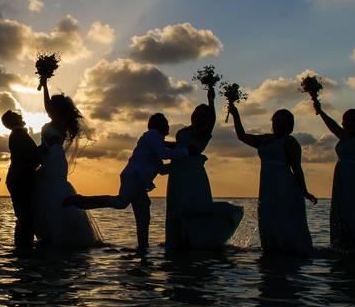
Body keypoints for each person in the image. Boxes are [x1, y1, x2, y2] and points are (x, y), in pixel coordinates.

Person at [66, 112, 187, 249]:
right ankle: (80, 201)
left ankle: (143, 247)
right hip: (134, 177)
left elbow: (163, 170)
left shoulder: (154, 142)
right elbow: (165, 154)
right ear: (157, 125)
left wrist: (185, 164)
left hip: (137, 181)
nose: (167, 125)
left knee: (143, 216)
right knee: (121, 202)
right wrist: (185, 152)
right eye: (164, 122)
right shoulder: (153, 135)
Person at [228, 104, 315, 256]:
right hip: (268, 186)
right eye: (276, 120)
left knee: (285, 220)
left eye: (283, 121)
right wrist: (235, 115)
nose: (278, 124)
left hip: (285, 186)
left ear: (290, 125)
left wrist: (304, 191)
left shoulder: (290, 141)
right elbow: (242, 136)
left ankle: (290, 253)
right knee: (268, 217)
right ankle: (271, 251)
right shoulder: (265, 139)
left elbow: (297, 168)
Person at [166, 85, 244, 249]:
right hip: (177, 173)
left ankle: (201, 237)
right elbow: (179, 146)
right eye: (196, 112)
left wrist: (211, 100)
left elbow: (210, 124)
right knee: (177, 206)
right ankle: (178, 240)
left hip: (193, 172)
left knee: (194, 205)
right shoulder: (184, 131)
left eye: (202, 115)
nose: (197, 116)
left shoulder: (203, 132)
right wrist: (157, 143)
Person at [32, 77, 102, 247]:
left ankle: (57, 235)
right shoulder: (55, 120)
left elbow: (52, 141)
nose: (48, 109)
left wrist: (42, 150)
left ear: (57, 109)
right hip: (51, 157)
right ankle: (50, 234)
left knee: (53, 190)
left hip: (53, 156)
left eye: (52, 107)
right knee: (49, 190)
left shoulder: (59, 122)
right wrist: (45, 84)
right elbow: (47, 105)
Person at [314, 102, 355, 254]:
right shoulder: (344, 137)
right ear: (343, 122)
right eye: (347, 120)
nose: (350, 123)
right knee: (342, 218)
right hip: (343, 186)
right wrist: (320, 111)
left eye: (354, 120)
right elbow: (332, 126)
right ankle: (344, 249)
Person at [2, 110, 46, 251]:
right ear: (13, 121)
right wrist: (46, 147)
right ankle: (22, 249)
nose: (21, 116)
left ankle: (23, 248)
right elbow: (31, 156)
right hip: (20, 180)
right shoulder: (18, 135)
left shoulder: (19, 134)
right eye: (17, 115)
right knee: (24, 216)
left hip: (20, 179)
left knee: (25, 215)